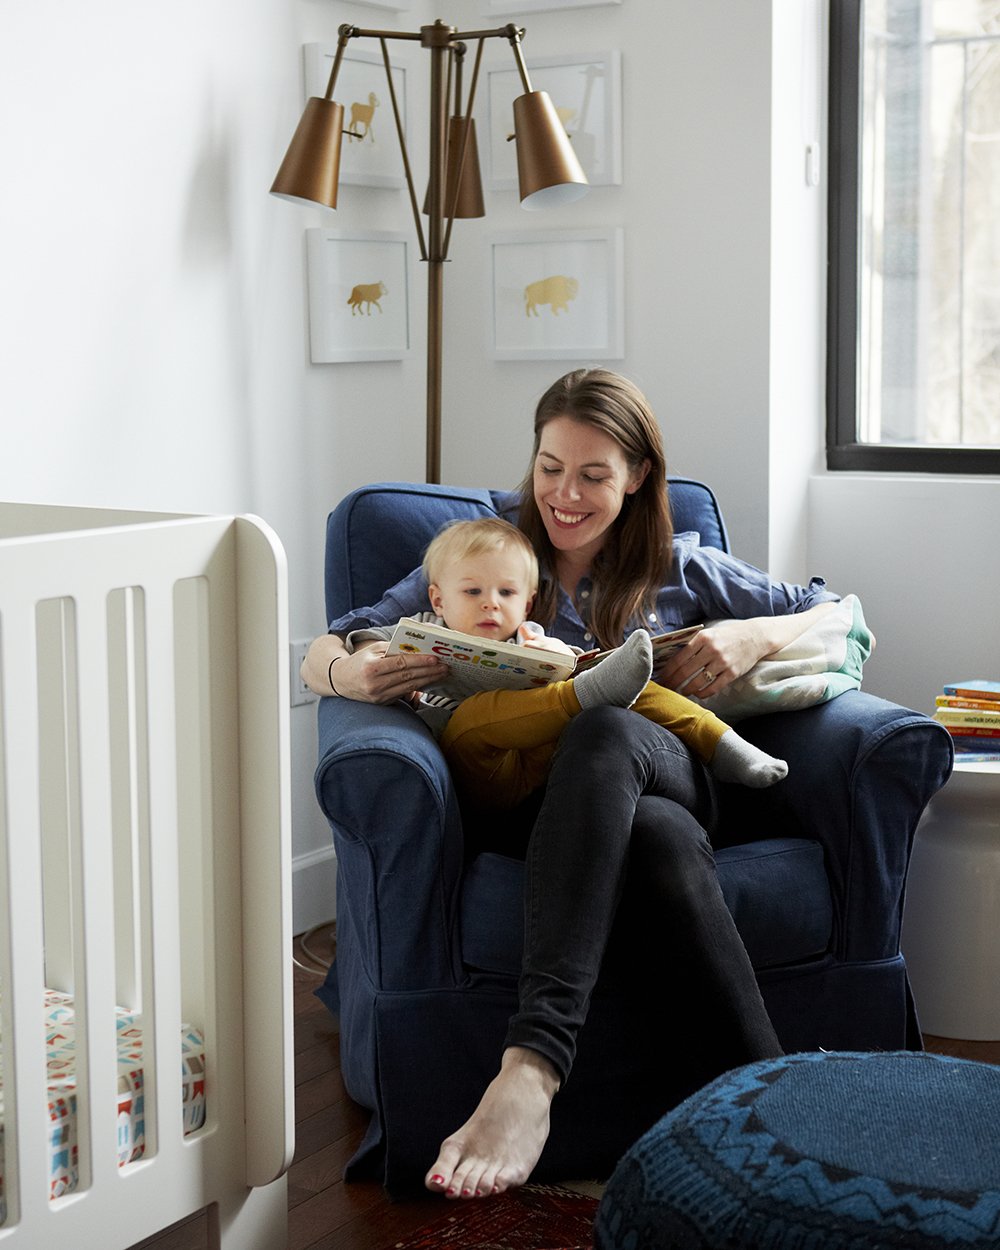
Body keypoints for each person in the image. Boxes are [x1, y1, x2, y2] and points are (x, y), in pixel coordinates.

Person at [301, 368, 839, 1201]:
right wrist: (351, 673)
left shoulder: (681, 567)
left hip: (673, 775)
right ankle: (782, 1118)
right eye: (551, 468)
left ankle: (531, 1071)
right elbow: (325, 644)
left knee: (606, 725)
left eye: (594, 474)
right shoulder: (489, 559)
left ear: (637, 477)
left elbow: (832, 608)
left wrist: (752, 633)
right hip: (531, 808)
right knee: (652, 837)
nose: (566, 494)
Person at [343, 515, 788, 811]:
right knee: (481, 712)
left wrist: (562, 658)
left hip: (540, 767)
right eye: (473, 592)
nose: (490, 605)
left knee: (625, 684)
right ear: (438, 598)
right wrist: (378, 661)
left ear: (529, 602)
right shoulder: (421, 629)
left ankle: (723, 744)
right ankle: (589, 692)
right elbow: (361, 642)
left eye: (507, 593)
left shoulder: (531, 638)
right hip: (477, 768)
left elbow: (564, 662)